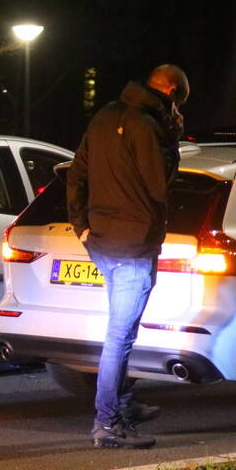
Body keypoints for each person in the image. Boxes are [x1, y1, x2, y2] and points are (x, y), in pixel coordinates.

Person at [67, 64, 189, 449]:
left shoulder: (105, 115)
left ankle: (121, 402)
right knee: (120, 337)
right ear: (170, 94)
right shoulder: (148, 126)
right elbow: (159, 185)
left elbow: (76, 174)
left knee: (120, 334)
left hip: (101, 241)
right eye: (179, 102)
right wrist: (174, 137)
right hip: (133, 245)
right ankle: (108, 423)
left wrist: (80, 226)